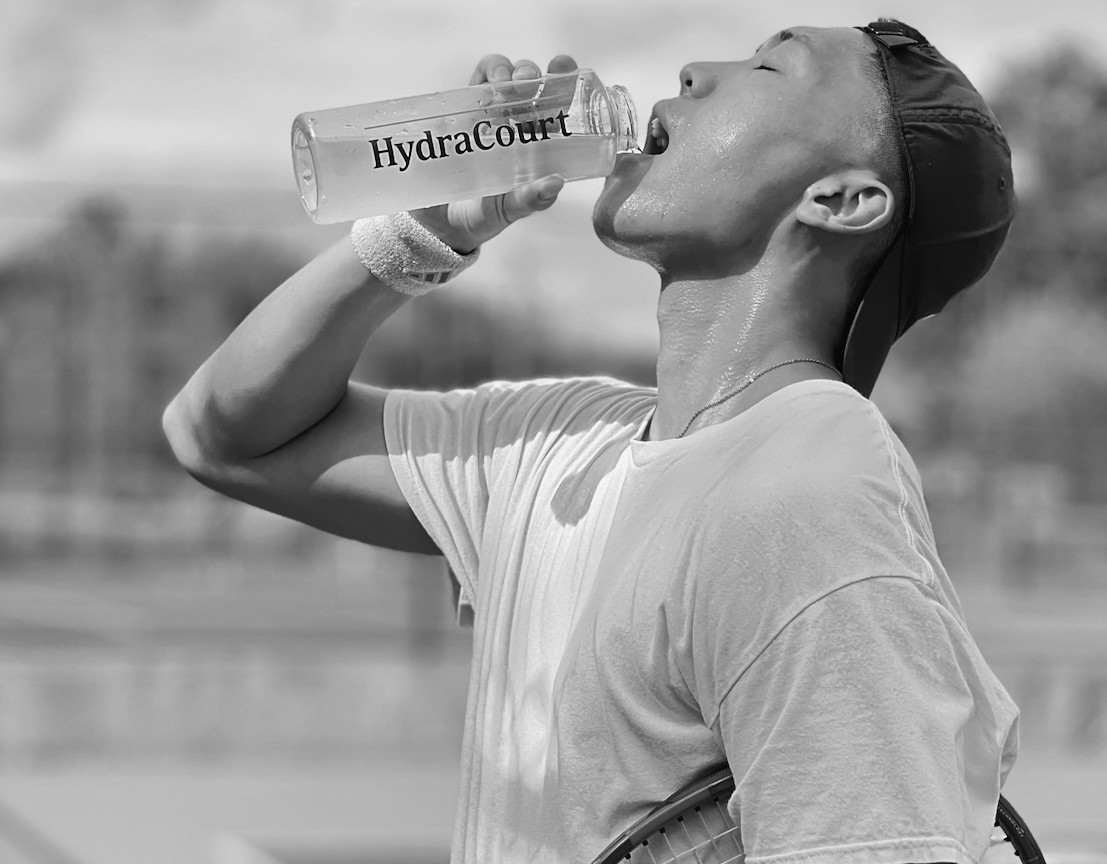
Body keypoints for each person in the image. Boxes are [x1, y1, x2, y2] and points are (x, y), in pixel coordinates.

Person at [164, 19, 1020, 864]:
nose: (691, 72)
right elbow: (226, 436)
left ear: (839, 200)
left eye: (770, 68)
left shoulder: (811, 496)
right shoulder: (563, 438)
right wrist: (420, 232)